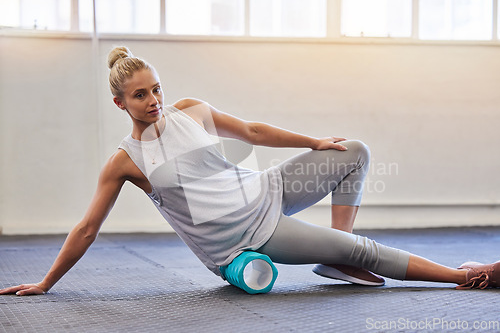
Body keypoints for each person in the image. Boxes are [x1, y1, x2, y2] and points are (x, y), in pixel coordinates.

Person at [1, 46, 498, 297]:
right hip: (245, 235)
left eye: (156, 89)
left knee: (355, 151)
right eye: (140, 95)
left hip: (266, 190)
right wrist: (46, 283)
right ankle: (460, 276)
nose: (153, 101)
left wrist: (314, 141)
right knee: (361, 249)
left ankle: (334, 260)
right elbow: (88, 227)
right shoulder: (125, 162)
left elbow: (254, 132)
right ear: (119, 102)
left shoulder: (191, 111)